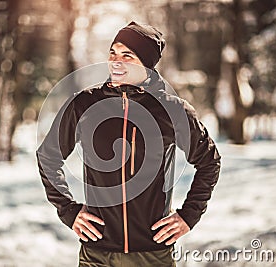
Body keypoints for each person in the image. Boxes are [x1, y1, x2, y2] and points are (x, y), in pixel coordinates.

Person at [37, 21, 221, 267]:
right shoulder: (84, 105)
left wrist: (189, 215)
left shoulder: (172, 110)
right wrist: (69, 211)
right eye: (113, 52)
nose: (116, 61)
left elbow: (209, 161)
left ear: (146, 63)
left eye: (128, 55)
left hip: (152, 253)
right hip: (98, 253)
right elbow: (49, 156)